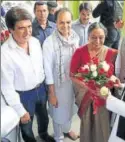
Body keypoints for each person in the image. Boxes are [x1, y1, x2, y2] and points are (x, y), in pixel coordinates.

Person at [1, 6, 55, 142]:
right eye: (21, 28)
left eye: (29, 26)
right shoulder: (5, 53)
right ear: (11, 30)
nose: (27, 32)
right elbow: (6, 87)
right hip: (23, 96)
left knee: (43, 117)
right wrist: (20, 110)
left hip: (41, 89)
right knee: (26, 125)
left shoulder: (35, 42)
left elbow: (42, 66)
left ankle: (43, 134)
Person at [70, 22, 118, 142]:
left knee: (102, 124)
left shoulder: (112, 53)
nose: (97, 41)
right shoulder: (79, 52)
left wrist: (106, 83)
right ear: (88, 36)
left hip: (103, 97)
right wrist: (88, 87)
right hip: (85, 95)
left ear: (105, 37)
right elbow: (72, 75)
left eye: (101, 37)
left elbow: (114, 76)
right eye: (93, 37)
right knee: (87, 124)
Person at [43, 8, 80, 142]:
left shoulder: (75, 38)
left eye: (68, 22)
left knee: (69, 109)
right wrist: (52, 94)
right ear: (56, 23)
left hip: (72, 84)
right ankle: (58, 136)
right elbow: (47, 70)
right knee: (58, 112)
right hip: (57, 86)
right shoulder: (49, 43)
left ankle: (67, 129)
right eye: (61, 22)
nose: (65, 26)